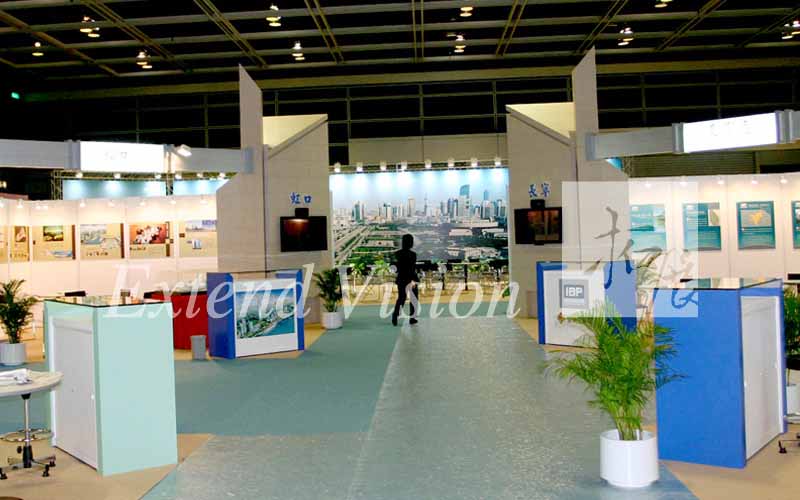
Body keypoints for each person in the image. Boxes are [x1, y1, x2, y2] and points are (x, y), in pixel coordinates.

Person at [392, 234, 419, 326]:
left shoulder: (397, 254)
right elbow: (412, 269)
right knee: (414, 299)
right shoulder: (413, 254)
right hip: (411, 279)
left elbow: (395, 267)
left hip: (401, 279)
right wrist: (413, 280)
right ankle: (412, 318)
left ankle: (395, 315)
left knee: (401, 298)